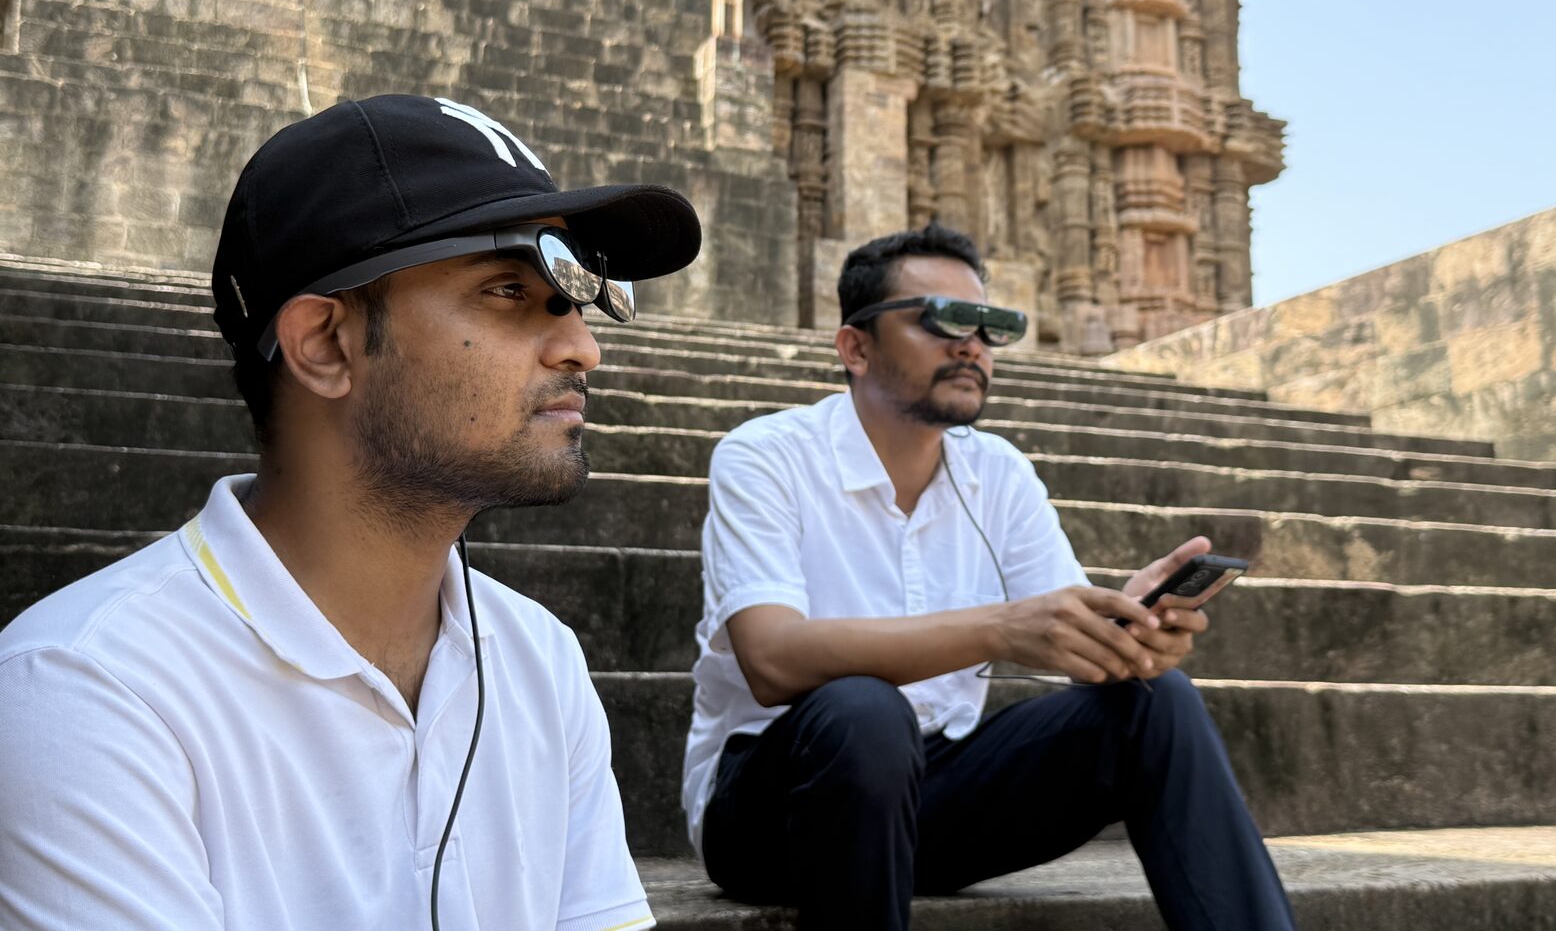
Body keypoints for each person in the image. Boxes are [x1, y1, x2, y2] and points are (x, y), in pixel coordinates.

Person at [0, 94, 701, 931]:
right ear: (325, 345)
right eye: (509, 288)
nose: (583, 347)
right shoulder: (89, 694)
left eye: (581, 297)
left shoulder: (539, 663)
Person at [681, 222, 1296, 930]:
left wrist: (1121, 631)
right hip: (775, 808)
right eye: (941, 320)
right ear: (855, 346)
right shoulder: (765, 456)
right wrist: (1001, 630)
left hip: (937, 803)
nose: (970, 343)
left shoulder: (999, 472)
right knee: (865, 710)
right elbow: (771, 659)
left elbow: (1065, 633)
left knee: (1157, 701)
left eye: (990, 325)